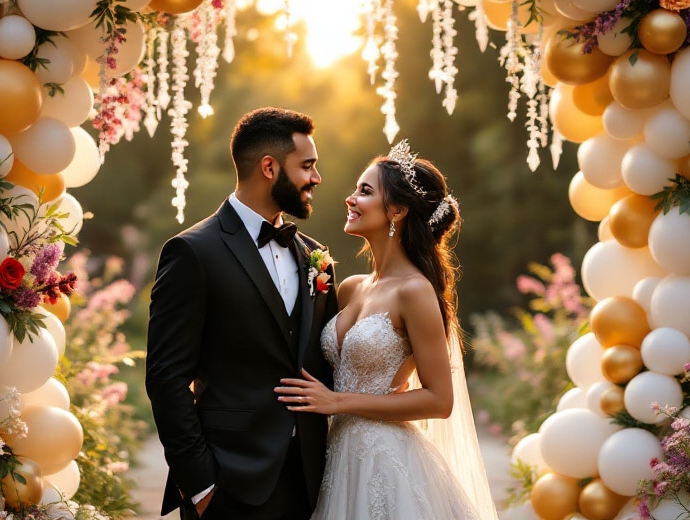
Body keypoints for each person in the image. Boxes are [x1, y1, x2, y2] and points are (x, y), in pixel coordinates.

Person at [275, 139, 496, 520]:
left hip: (387, 462)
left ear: (397, 210)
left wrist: (338, 402)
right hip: (338, 457)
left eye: (364, 191)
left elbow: (439, 401)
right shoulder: (349, 288)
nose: (350, 198)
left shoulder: (415, 292)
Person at [146, 107, 339, 520]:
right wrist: (200, 484)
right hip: (229, 483)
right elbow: (166, 378)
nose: (317, 178)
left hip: (311, 482)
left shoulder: (314, 255)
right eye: (307, 166)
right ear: (269, 167)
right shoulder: (193, 252)